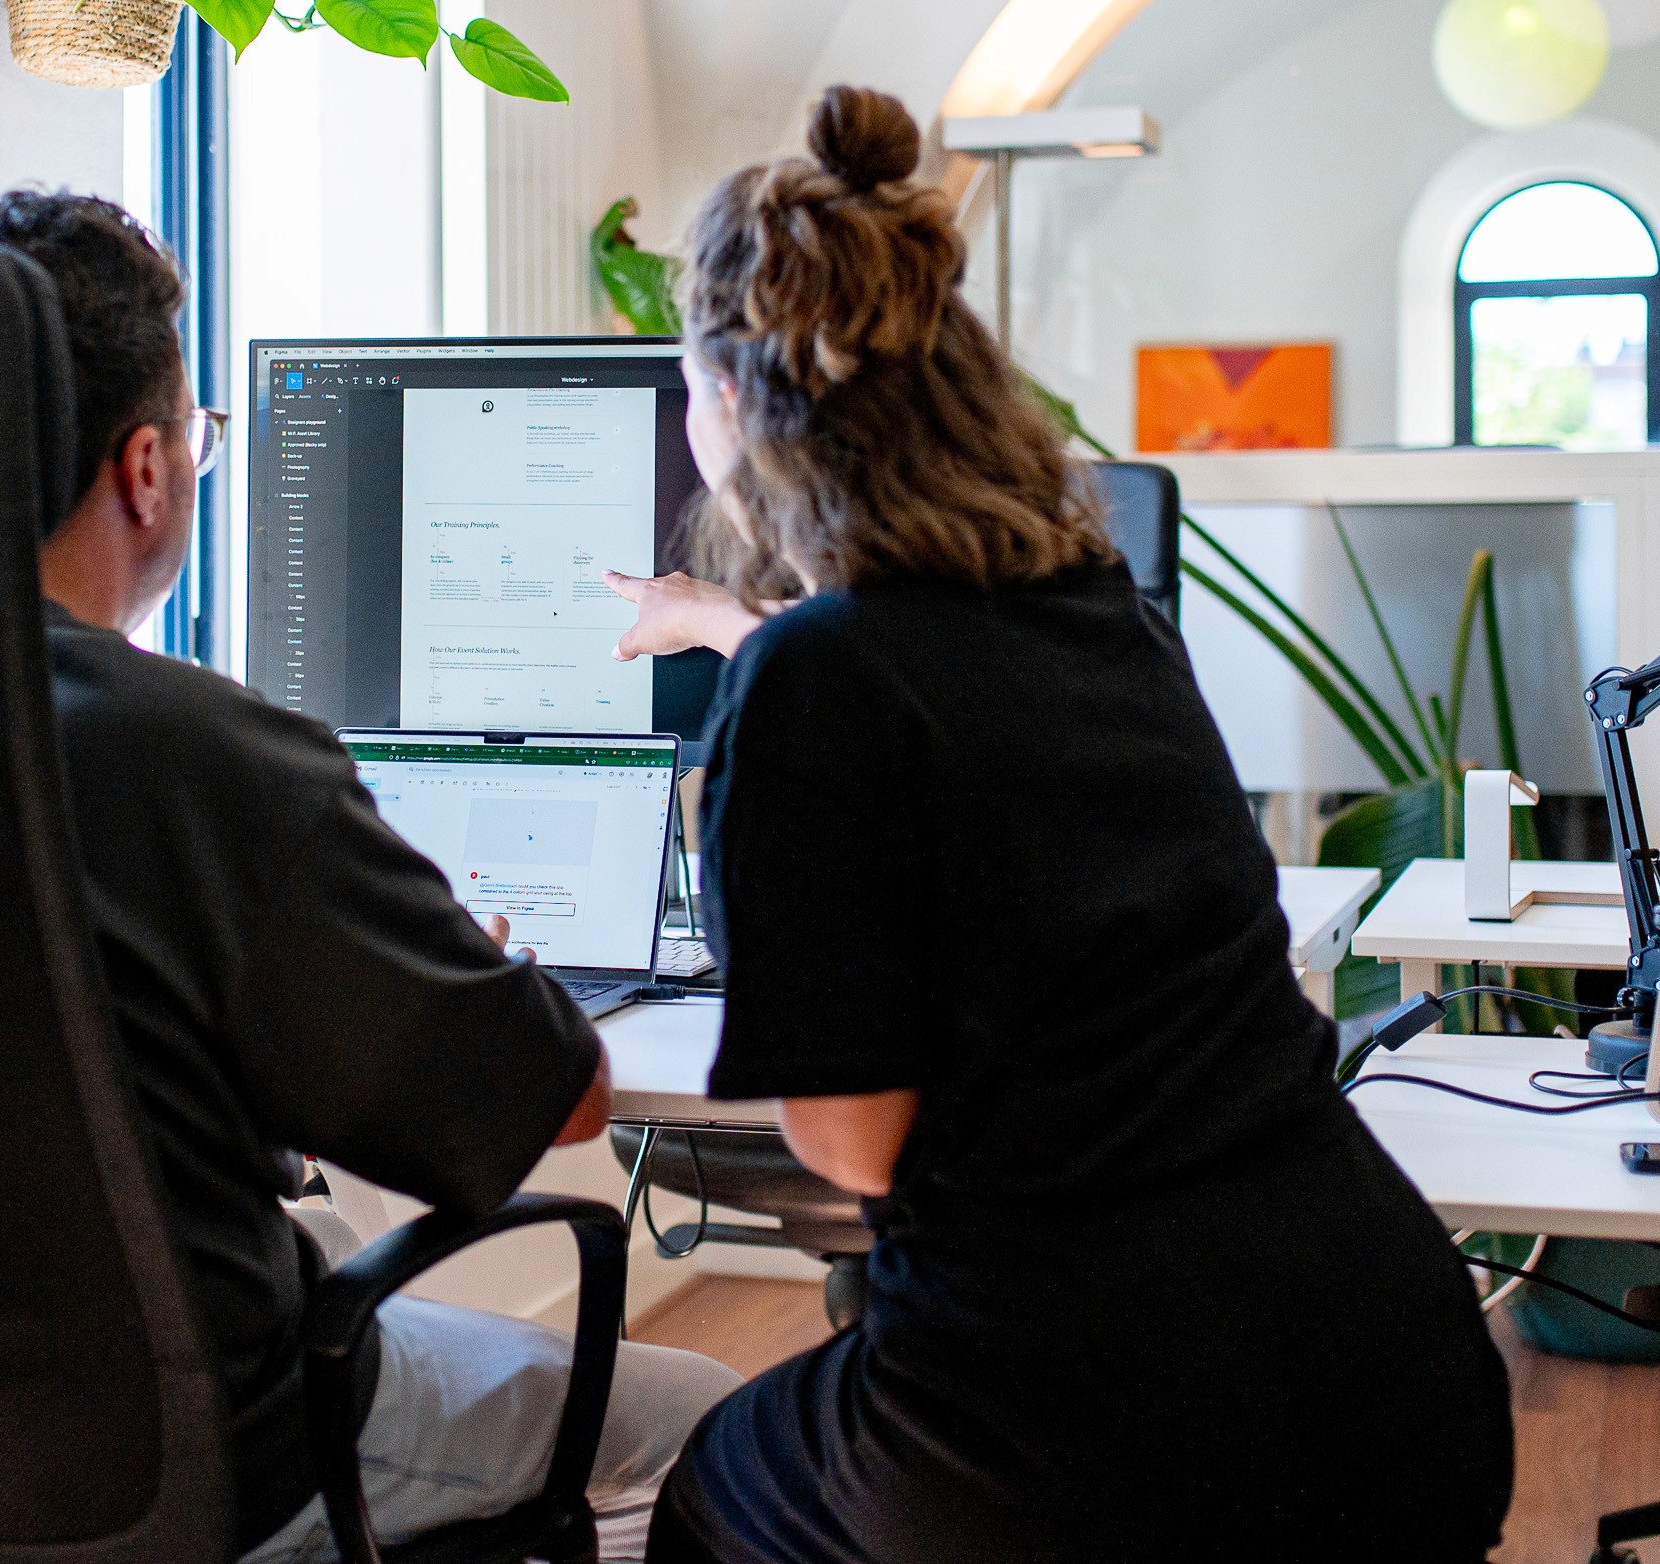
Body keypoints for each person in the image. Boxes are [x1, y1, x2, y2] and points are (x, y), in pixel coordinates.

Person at [601, 90, 1514, 1563]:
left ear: (732, 402)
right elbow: (935, 712)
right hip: (1395, 1374)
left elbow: (852, 1144)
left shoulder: (815, 681)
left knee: (711, 1494)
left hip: (1084, 1427)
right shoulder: (1100, 614)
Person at [0, 190, 737, 1563]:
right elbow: (561, 1098)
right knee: (708, 1430)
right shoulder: (202, 759)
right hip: (190, 1454)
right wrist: (455, 966)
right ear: (145, 470)